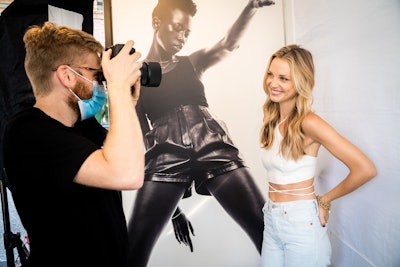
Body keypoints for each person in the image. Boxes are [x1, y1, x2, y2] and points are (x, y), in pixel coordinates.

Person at [127, 0, 275, 266]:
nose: (182, 37)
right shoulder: (135, 76)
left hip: (213, 146)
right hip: (164, 157)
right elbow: (140, 138)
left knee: (268, 233)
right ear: (157, 23)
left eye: (187, 32)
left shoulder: (192, 63)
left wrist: (251, 6)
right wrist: (173, 211)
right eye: (177, 27)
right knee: (132, 251)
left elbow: (228, 43)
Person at [2, 21, 145, 267]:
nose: (103, 83)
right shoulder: (27, 132)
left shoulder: (82, 126)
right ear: (67, 75)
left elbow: (125, 157)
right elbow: (126, 175)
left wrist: (126, 104)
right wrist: (118, 89)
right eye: (97, 75)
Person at [259, 44, 377, 267]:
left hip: (301, 224)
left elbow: (365, 169)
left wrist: (325, 201)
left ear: (300, 82)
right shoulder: (272, 119)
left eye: (284, 78)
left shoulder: (309, 123)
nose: (273, 83)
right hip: (272, 219)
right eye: (270, 74)